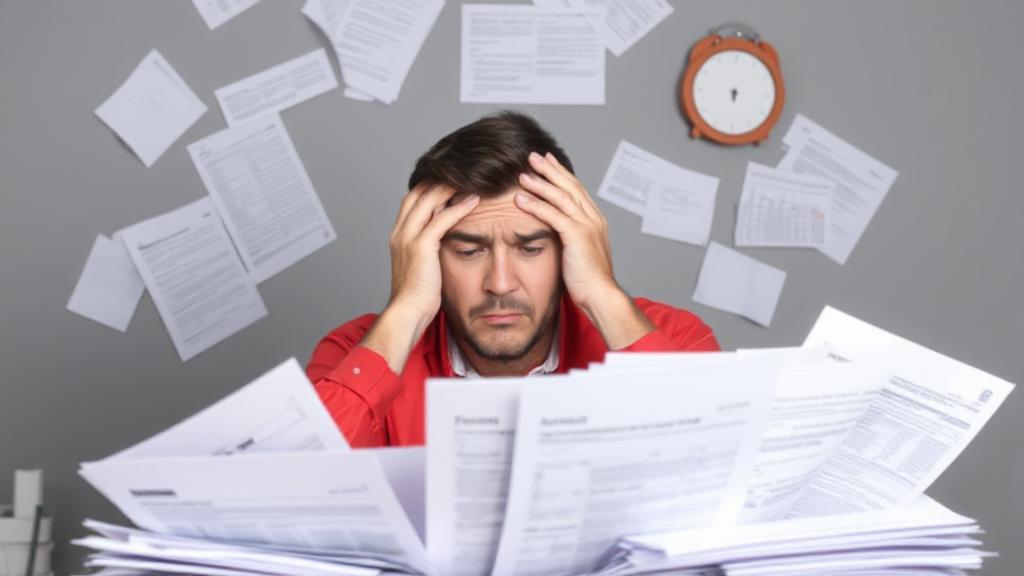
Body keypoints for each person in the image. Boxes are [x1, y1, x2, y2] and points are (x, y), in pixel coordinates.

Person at [306, 111, 720, 447]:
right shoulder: (353, 354)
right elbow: (296, 492)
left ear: (570, 249)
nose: (501, 284)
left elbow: (710, 459)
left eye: (531, 249)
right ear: (425, 255)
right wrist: (405, 311)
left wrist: (601, 293)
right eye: (468, 251)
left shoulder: (675, 338)